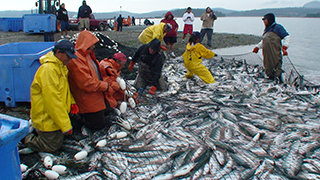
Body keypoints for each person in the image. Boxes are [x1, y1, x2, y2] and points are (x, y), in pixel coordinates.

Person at [22, 40, 78, 153]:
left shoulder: (61, 66)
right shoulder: (49, 70)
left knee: (60, 138)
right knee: (52, 147)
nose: (70, 59)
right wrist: (66, 125)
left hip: (54, 116)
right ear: (58, 52)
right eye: (67, 56)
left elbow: (64, 90)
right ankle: (24, 137)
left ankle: (36, 132)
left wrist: (72, 103)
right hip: (46, 117)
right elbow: (53, 101)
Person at [67, 31, 115, 131]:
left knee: (110, 112)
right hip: (87, 98)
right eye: (92, 44)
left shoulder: (88, 55)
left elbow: (97, 67)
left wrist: (106, 69)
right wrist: (105, 86)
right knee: (99, 125)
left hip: (97, 93)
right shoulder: (76, 59)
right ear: (85, 44)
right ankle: (78, 118)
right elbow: (86, 84)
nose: (94, 46)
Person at [252, 13, 290, 82]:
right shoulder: (267, 30)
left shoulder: (278, 27)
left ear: (269, 20)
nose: (264, 21)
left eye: (265, 20)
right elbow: (264, 41)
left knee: (276, 67)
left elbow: (286, 37)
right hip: (266, 54)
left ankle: (279, 81)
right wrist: (257, 47)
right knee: (267, 67)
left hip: (275, 53)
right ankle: (271, 80)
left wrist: (285, 47)